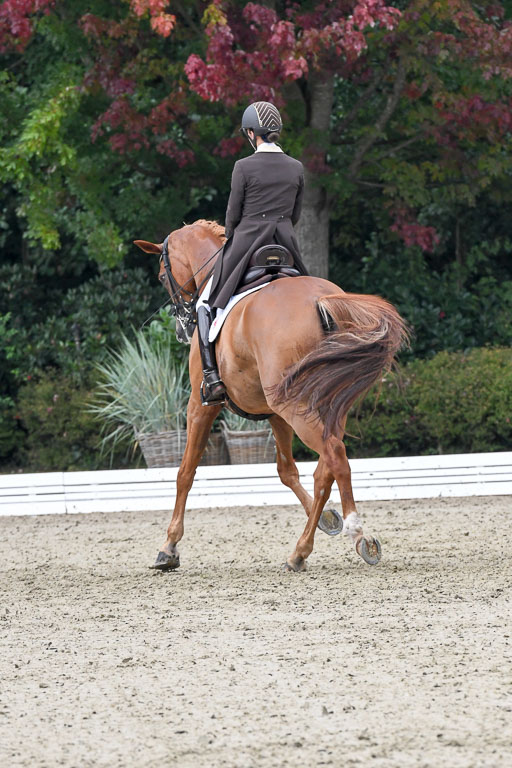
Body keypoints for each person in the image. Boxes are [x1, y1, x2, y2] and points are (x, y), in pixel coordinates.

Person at [198, 100, 309, 405]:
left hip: (248, 242)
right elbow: (295, 214)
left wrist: (233, 238)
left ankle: (211, 378)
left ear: (251, 133)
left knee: (205, 303)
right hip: (286, 244)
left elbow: (232, 215)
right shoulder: (296, 167)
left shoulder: (243, 167)